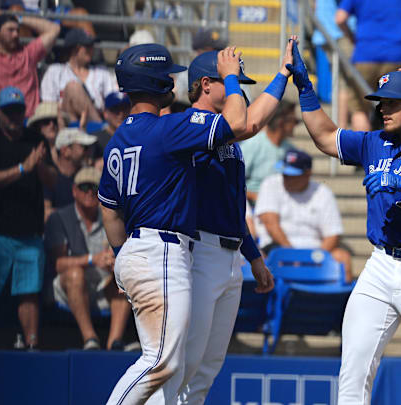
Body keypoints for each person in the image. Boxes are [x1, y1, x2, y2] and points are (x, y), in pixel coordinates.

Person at [287, 42, 401, 403]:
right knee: (353, 368)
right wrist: (306, 90)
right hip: (380, 264)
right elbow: (325, 137)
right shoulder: (375, 142)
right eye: (381, 102)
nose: (382, 108)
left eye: (392, 102)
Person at [98, 43, 248, 404]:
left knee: (170, 365)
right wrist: (230, 78)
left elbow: (109, 210)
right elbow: (238, 122)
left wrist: (122, 257)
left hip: (137, 249)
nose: (173, 82)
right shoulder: (167, 128)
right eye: (168, 75)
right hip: (161, 252)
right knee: (161, 363)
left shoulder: (117, 140)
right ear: (155, 81)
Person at [169, 39, 293, 404]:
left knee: (207, 367)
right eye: (231, 82)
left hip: (229, 255)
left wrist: (254, 255)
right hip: (197, 251)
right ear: (206, 84)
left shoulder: (228, 133)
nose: (239, 91)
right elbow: (247, 121)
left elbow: (234, 206)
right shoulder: (190, 123)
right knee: (185, 362)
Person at [0, 86, 57, 350]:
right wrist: (24, 168)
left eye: (18, 111)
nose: (14, 116)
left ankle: (31, 344)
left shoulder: (36, 139)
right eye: (9, 111)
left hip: (28, 232)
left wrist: (39, 166)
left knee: (29, 292)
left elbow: (53, 180)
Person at [45, 167, 132, 350]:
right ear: (74, 191)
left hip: (102, 284)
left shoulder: (111, 216)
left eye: (95, 187)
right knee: (75, 275)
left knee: (124, 276)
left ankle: (114, 342)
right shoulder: (58, 218)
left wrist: (113, 262)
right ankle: (90, 339)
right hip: (67, 287)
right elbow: (59, 264)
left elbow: (117, 253)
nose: (90, 192)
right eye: (84, 187)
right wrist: (93, 259)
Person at [256, 149, 354, 282]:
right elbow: (271, 225)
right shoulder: (271, 183)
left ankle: (336, 302)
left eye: (292, 175)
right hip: (277, 249)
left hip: (314, 252)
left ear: (308, 174)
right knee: (260, 257)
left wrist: (311, 258)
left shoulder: (323, 192)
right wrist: (293, 256)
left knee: (343, 258)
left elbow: (333, 235)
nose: (286, 178)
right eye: (284, 174)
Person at [335, 0, 401, 131]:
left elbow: (340, 18)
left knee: (360, 108)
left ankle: (363, 150)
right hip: (398, 53)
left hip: (366, 53)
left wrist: (351, 37)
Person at [0, 12, 60, 117]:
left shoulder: (28, 55)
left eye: (17, 30)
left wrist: (20, 19)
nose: (16, 35)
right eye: (10, 30)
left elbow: (54, 29)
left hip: (28, 122)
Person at [41, 29, 117, 123]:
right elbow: (49, 106)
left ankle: (97, 127)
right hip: (65, 123)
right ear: (74, 49)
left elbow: (114, 99)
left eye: (92, 45)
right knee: (73, 87)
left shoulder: (102, 72)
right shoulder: (55, 71)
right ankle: (98, 128)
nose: (91, 49)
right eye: (87, 46)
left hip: (97, 117)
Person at [240, 101, 296, 203]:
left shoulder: (291, 150)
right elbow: (233, 181)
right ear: (281, 122)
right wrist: (259, 198)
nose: (296, 125)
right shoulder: (253, 144)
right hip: (252, 209)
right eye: (294, 121)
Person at [44, 128, 97, 218]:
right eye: (84, 147)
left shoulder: (88, 176)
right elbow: (46, 213)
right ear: (65, 151)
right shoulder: (50, 177)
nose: (89, 152)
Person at [91, 92, 132, 162]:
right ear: (105, 113)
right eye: (116, 109)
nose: (121, 114)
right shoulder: (96, 140)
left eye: (125, 108)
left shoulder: (136, 136)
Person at [27, 101, 63, 166]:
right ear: (37, 126)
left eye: (55, 121)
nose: (52, 125)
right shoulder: (30, 150)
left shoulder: (69, 150)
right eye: (46, 121)